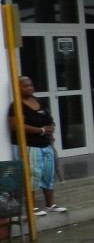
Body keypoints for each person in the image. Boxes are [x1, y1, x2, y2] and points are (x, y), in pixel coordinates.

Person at [9, 76, 66, 216]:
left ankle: (50, 205)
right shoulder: (16, 105)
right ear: (18, 87)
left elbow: (49, 119)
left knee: (48, 174)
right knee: (33, 175)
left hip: (45, 144)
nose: (29, 88)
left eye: (31, 85)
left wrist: (51, 127)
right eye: (25, 86)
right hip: (29, 145)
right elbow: (16, 126)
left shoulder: (39, 101)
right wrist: (40, 130)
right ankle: (31, 207)